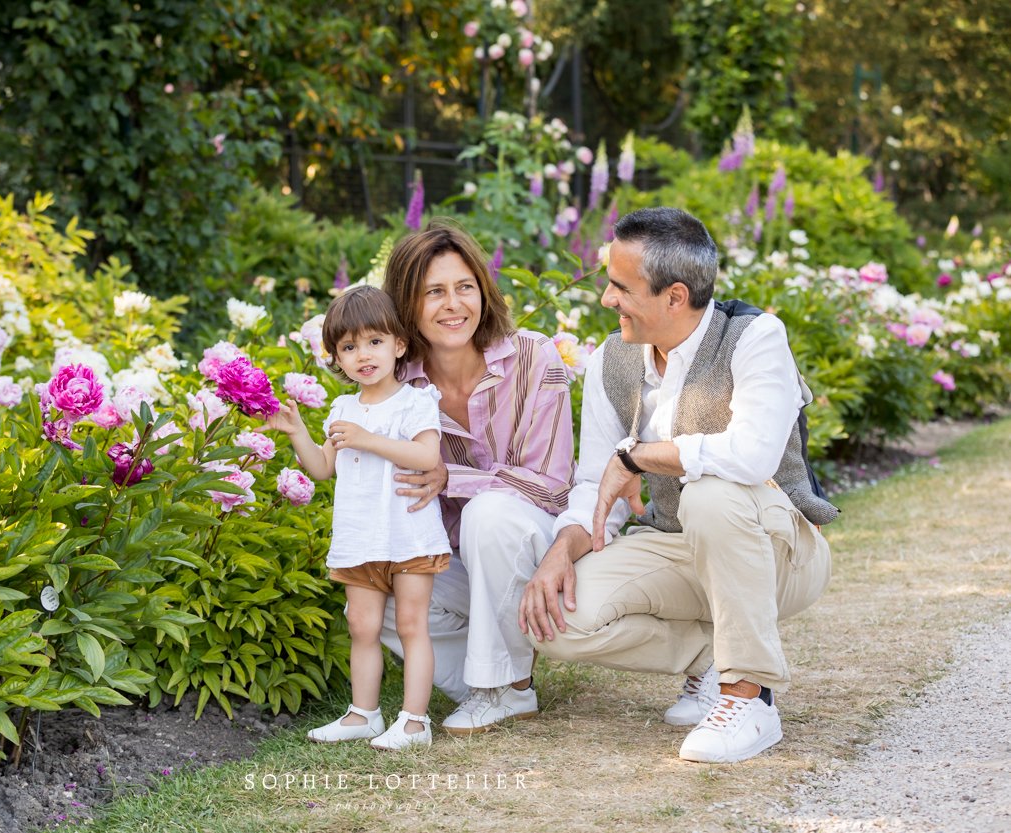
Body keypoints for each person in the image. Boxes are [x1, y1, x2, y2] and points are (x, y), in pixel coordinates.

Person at [518, 206, 839, 763]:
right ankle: (715, 658)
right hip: (673, 544)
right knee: (557, 622)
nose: (606, 299)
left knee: (712, 492)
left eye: (621, 287)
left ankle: (750, 698)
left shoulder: (755, 336)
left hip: (778, 549)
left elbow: (751, 455)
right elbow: (599, 483)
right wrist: (559, 551)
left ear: (675, 295)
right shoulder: (610, 361)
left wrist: (640, 457)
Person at [379, 219, 575, 734]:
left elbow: (551, 485)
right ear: (406, 305)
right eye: (434, 292)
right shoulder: (400, 385)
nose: (454, 305)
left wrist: (450, 478)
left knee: (488, 513)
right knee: (378, 590)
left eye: (465, 287)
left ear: (483, 293)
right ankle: (494, 682)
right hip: (466, 558)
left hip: (542, 546)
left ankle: (500, 688)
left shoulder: (532, 356)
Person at [267, 285, 452, 751]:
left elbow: (427, 455)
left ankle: (414, 721)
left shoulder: (415, 400)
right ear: (337, 358)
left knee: (412, 625)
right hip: (361, 537)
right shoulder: (344, 408)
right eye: (349, 347)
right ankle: (363, 714)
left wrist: (367, 438)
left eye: (374, 342)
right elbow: (323, 468)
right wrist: (297, 433)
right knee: (362, 627)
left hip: (408, 534)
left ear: (399, 345)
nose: (362, 355)